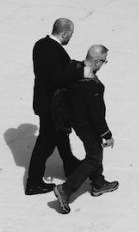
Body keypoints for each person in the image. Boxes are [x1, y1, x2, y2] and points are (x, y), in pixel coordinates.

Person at [53, 44, 118, 214]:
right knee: (93, 158)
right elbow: (97, 116)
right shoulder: (91, 86)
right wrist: (107, 134)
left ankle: (98, 183)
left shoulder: (74, 68)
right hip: (87, 126)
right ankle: (65, 190)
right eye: (104, 61)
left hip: (75, 121)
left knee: (96, 152)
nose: (104, 64)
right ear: (97, 61)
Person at [25, 18, 84, 195]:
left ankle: (70, 164)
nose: (71, 38)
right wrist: (78, 71)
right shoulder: (54, 50)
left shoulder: (40, 44)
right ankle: (33, 182)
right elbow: (58, 78)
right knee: (45, 142)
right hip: (52, 105)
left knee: (60, 133)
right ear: (64, 33)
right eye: (71, 34)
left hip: (43, 100)